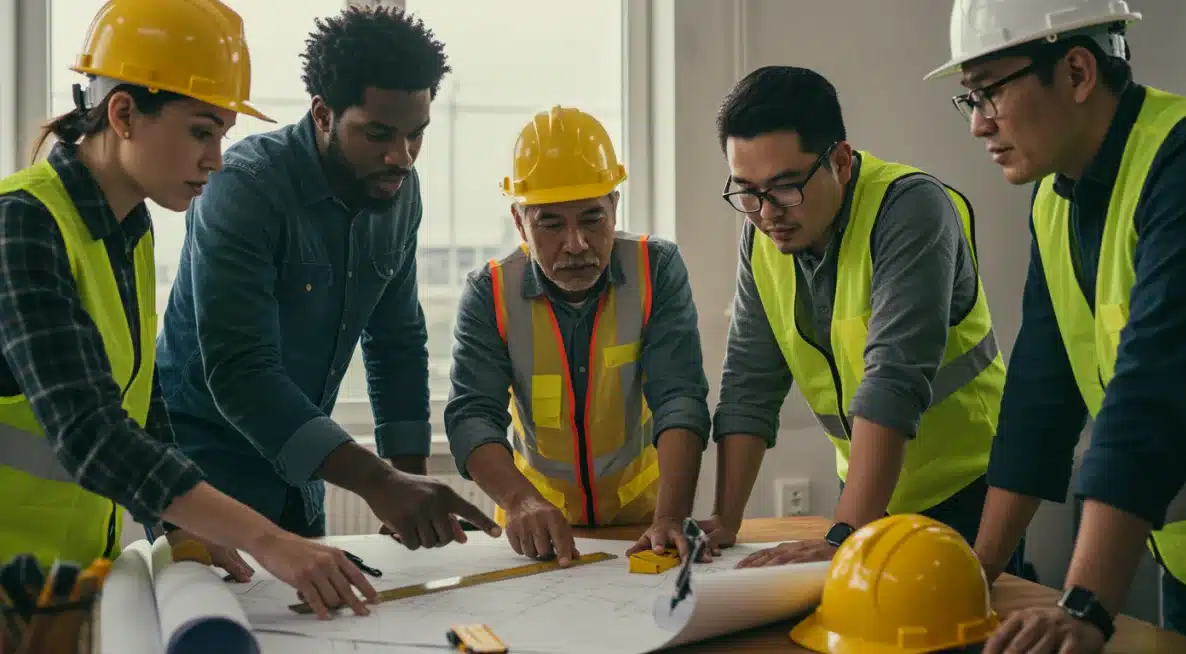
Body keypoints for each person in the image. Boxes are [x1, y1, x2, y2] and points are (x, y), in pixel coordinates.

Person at [0, 0, 376, 620]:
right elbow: (90, 432)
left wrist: (174, 527)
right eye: (201, 131)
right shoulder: (23, 224)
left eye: (223, 134)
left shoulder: (131, 226)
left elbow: (141, 402)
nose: (216, 159)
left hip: (60, 591)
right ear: (124, 113)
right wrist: (267, 538)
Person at [154, 4, 500, 567]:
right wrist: (379, 483)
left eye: (417, 135)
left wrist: (406, 483)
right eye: (378, 134)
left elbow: (397, 343)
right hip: (205, 485)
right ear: (322, 113)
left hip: (303, 477)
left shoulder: (397, 191)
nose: (401, 156)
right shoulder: (243, 187)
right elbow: (241, 374)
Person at [924, 0, 1186, 649]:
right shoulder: (1055, 199)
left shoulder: (1185, 162)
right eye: (970, 100)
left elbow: (1152, 392)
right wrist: (977, 571)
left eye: (990, 92)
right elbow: (1039, 400)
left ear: (1077, 72)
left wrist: (1083, 605)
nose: (979, 125)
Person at [708, 65, 1022, 573]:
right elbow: (748, 382)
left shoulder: (912, 208)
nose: (766, 213)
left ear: (841, 161)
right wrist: (725, 521)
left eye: (786, 188)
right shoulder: (762, 235)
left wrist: (844, 535)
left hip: (968, 493)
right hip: (865, 489)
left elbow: (893, 377)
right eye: (746, 192)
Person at [444, 106, 711, 565]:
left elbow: (680, 395)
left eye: (592, 218)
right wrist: (520, 502)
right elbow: (472, 414)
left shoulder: (657, 269)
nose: (576, 244)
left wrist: (671, 515)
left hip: (643, 524)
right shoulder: (490, 292)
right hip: (537, 526)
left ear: (614, 206)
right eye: (550, 223)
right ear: (519, 221)